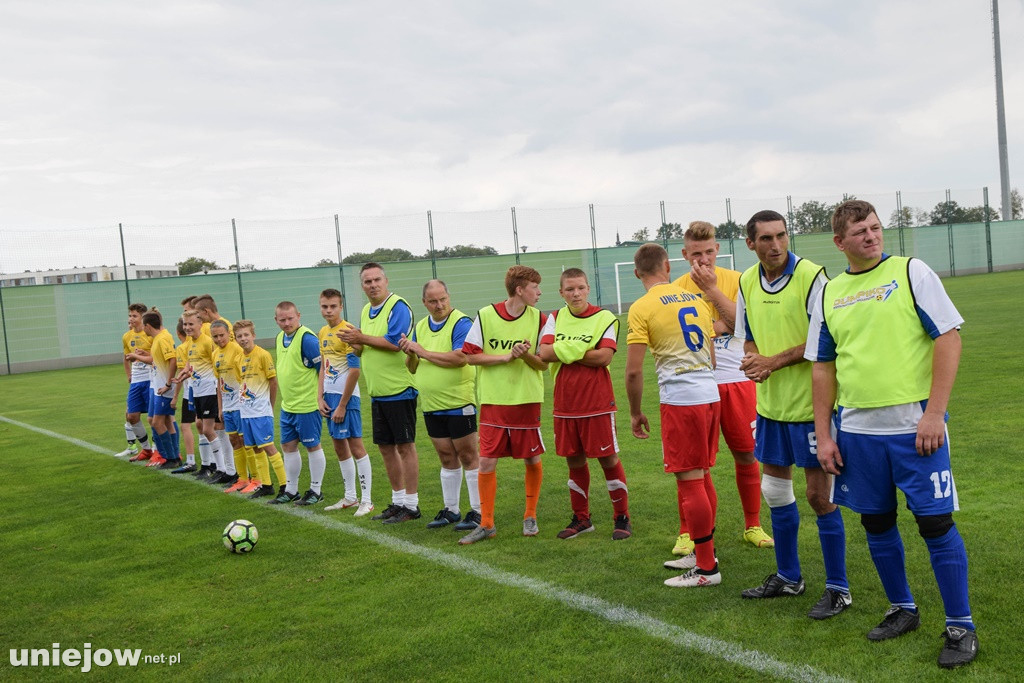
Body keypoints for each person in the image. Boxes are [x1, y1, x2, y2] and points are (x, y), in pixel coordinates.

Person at [807, 200, 977, 668]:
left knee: (935, 523)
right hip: (857, 430)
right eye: (859, 231)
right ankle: (903, 608)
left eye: (876, 227)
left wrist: (935, 415)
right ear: (839, 242)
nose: (871, 236)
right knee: (876, 522)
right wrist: (825, 435)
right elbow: (822, 367)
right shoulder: (829, 293)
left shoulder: (910, 272)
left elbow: (949, 336)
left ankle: (960, 625)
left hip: (914, 425)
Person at [734, 209, 851, 619]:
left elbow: (823, 340)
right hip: (770, 409)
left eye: (781, 235)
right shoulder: (747, 280)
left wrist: (771, 362)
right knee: (776, 493)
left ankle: (838, 587)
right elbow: (745, 336)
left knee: (820, 497)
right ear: (751, 243)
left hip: (810, 408)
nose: (775, 245)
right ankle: (788, 576)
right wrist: (752, 360)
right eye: (765, 238)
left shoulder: (812, 277)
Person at [625, 244, 721, 588]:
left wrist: (635, 413)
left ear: (637, 273)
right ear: (668, 266)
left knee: (690, 479)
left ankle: (707, 569)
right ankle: (702, 550)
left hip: (682, 401)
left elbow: (634, 372)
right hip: (710, 395)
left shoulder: (641, 307)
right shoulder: (694, 298)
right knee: (703, 473)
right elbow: (710, 354)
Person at [674, 221, 773, 550]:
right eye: (696, 254)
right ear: (685, 254)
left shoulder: (738, 280)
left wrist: (711, 315)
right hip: (695, 385)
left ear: (718, 250)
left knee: (746, 455)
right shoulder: (677, 288)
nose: (703, 260)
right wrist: (716, 324)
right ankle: (690, 532)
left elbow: (741, 323)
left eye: (709, 252)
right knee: (693, 464)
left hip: (736, 380)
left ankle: (753, 525)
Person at [457, 265, 548, 544]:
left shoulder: (541, 319)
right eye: (535, 287)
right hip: (494, 400)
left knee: (532, 458)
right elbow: (469, 356)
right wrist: (505, 357)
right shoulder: (485, 316)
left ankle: (530, 515)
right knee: (486, 461)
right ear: (520, 289)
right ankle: (486, 523)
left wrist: (524, 357)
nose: (539, 292)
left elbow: (543, 363)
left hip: (527, 399)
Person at [538, 268, 630, 541]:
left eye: (580, 288)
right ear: (561, 292)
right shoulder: (554, 317)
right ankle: (581, 518)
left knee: (608, 458)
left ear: (588, 288)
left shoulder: (605, 318)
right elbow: (544, 353)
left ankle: (621, 517)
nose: (575, 293)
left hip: (597, 402)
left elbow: (603, 358)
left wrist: (563, 351)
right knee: (574, 460)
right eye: (569, 289)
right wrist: (584, 347)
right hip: (565, 403)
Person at [340, 264, 421, 524]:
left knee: (405, 447)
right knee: (386, 448)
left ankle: (412, 504)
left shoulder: (398, 306)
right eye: (367, 282)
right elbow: (366, 348)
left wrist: (361, 338)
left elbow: (393, 343)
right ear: (362, 286)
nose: (372, 285)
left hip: (399, 389)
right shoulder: (366, 310)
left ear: (386, 281)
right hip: (378, 392)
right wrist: (355, 344)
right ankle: (397, 502)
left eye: (377, 280)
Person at [399, 280, 482, 531]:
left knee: (468, 456)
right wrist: (411, 353)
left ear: (449, 296)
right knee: (446, 457)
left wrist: (421, 351)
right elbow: (411, 366)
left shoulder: (461, 322)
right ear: (424, 303)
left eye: (443, 299)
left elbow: (460, 358)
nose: (439, 305)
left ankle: (479, 511)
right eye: (433, 301)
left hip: (459, 401)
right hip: (432, 404)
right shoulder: (422, 326)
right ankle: (452, 510)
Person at [317, 288, 375, 517]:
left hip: (346, 399)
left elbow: (354, 371)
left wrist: (342, 404)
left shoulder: (348, 331)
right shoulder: (322, 332)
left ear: (341, 306)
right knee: (339, 446)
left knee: (356, 447)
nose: (329, 310)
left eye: (333, 306)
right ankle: (350, 497)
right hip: (329, 398)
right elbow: (324, 365)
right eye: (324, 306)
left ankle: (367, 500)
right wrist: (319, 396)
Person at [270, 301, 327, 506]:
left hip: (307, 405)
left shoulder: (308, 339)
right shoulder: (279, 338)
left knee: (312, 446)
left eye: (290, 318)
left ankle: (315, 490)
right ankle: (291, 489)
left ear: (299, 316)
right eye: (282, 320)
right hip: (288, 406)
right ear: (276, 320)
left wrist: (320, 398)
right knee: (288, 446)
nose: (287, 323)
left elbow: (323, 369)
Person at [178, 310, 233, 485]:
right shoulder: (190, 344)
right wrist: (184, 373)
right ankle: (219, 467)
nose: (187, 328)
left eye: (191, 324)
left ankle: (222, 469)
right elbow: (192, 363)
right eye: (185, 324)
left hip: (210, 390)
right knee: (205, 428)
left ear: (201, 324)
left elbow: (217, 364)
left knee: (210, 430)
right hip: (198, 391)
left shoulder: (208, 342)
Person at [234, 320, 284, 499]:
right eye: (239, 336)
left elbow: (273, 382)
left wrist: (269, 405)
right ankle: (266, 485)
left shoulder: (263, 355)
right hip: (246, 412)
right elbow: (243, 384)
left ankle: (285, 487)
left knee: (269, 447)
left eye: (246, 335)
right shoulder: (238, 358)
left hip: (261, 411)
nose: (243, 339)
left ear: (253, 335)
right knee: (255, 448)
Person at [210, 320, 253, 493]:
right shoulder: (215, 354)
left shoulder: (236, 350)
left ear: (229, 333)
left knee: (245, 441)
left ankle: (252, 477)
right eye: (215, 336)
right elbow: (219, 383)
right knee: (234, 441)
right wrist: (220, 408)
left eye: (222, 335)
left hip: (240, 404)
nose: (219, 339)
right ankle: (241, 478)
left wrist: (246, 402)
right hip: (227, 407)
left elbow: (245, 377)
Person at [136, 310, 179, 469]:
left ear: (147, 326)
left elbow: (172, 360)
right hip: (157, 386)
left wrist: (168, 384)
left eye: (143, 326)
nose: (143, 330)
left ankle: (171, 457)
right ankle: (173, 457)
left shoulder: (163, 338)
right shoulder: (158, 339)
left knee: (157, 422)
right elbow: (158, 359)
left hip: (163, 387)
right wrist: (144, 354)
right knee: (163, 421)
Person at [119, 303, 154, 459]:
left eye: (134, 316)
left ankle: (157, 448)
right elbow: (126, 358)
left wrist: (141, 355)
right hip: (136, 381)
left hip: (151, 378)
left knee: (154, 417)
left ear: (142, 318)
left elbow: (156, 358)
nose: (131, 319)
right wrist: (129, 375)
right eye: (130, 315)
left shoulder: (151, 334)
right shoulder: (127, 336)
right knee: (131, 416)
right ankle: (146, 449)